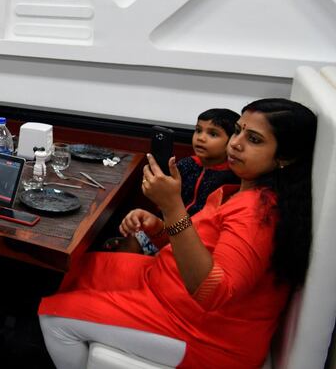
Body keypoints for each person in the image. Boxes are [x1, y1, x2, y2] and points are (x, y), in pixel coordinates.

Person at [39, 98, 316, 368]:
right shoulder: (239, 191)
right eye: (239, 130)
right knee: (80, 269)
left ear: (285, 157)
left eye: (254, 140)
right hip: (166, 285)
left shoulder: (259, 214)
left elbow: (214, 292)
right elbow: (201, 245)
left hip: (204, 334)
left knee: (53, 316)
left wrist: (171, 207)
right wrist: (160, 230)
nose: (236, 143)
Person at [107, 108, 240, 254]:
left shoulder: (231, 177)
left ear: (232, 141)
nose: (201, 138)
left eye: (213, 134)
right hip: (166, 224)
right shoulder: (187, 164)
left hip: (194, 238)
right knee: (134, 236)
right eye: (198, 130)